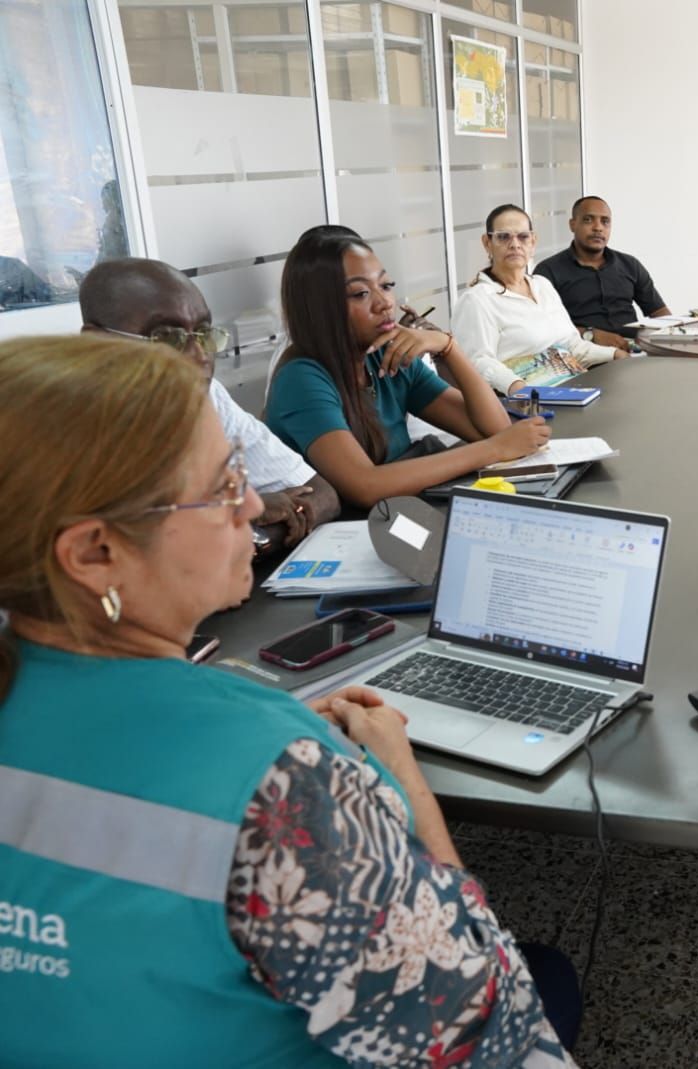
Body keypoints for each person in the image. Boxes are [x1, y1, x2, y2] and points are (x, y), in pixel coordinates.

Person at [0, 335, 579, 1066]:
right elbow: (495, 1040)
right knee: (548, 977)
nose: (253, 503)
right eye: (220, 485)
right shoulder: (282, 783)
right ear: (92, 553)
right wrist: (394, 777)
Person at [265, 232, 551, 509]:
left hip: (398, 514)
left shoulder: (383, 355)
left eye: (386, 285)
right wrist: (495, 449)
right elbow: (365, 487)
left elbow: (493, 429)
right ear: (320, 307)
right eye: (361, 293)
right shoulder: (301, 379)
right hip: (345, 535)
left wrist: (448, 347)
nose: (384, 303)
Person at [79, 257, 338, 551]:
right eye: (166, 337)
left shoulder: (206, 395)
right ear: (97, 342)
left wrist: (240, 532)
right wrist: (241, 520)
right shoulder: (64, 428)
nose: (200, 356)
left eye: (204, 334)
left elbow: (321, 494)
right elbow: (134, 554)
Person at [453, 204, 629, 396]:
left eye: (523, 236)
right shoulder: (477, 299)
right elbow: (477, 361)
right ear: (487, 243)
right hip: (523, 401)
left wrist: (614, 354)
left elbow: (572, 345)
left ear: (533, 242)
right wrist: (520, 389)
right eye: (503, 237)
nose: (514, 244)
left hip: (572, 389)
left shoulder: (542, 286)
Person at [534, 195, 670, 347]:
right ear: (572, 225)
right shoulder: (548, 271)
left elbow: (659, 312)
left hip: (632, 352)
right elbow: (542, 328)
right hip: (582, 356)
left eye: (605, 221)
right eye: (588, 220)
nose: (598, 227)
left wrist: (676, 337)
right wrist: (590, 335)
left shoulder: (630, 265)